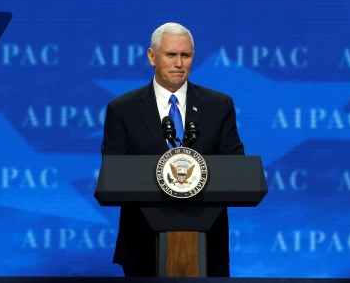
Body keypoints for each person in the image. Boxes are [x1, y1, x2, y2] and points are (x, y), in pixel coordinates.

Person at [101, 22, 244, 277]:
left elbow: (234, 169)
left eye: (185, 55)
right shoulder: (122, 109)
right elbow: (115, 174)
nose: (179, 63)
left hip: (207, 243)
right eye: (170, 55)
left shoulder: (219, 105)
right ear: (152, 56)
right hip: (141, 244)